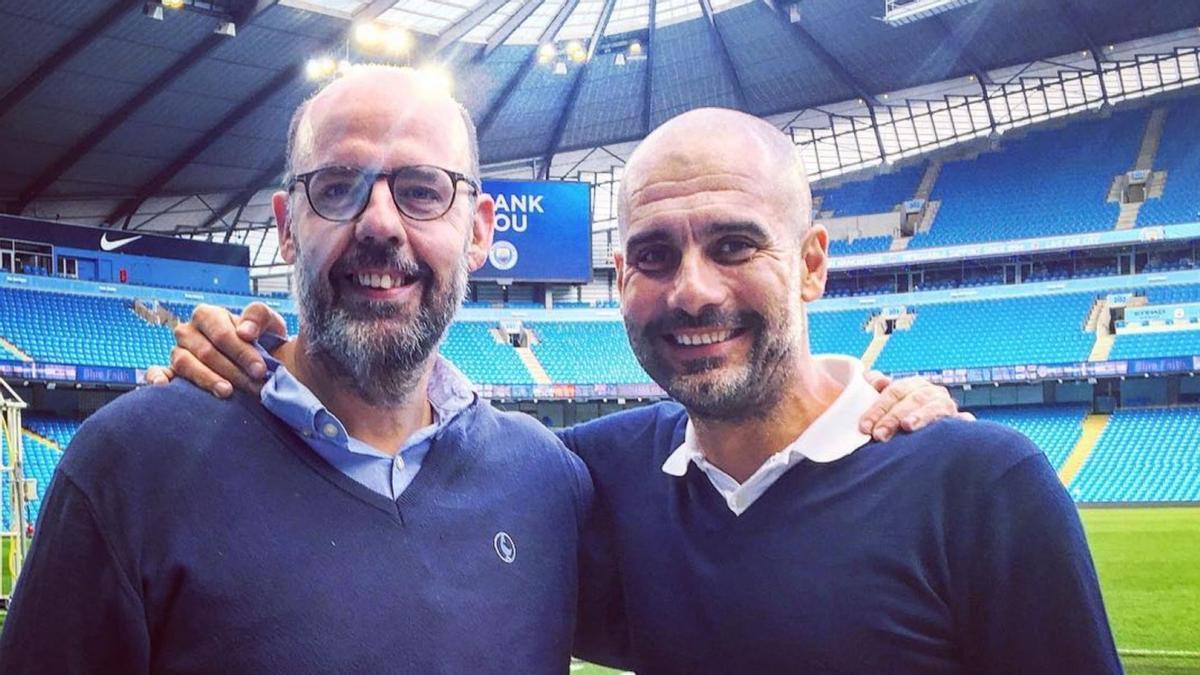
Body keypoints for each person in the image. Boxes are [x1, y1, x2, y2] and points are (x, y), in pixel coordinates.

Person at [162, 106, 1121, 673]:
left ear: (815, 263)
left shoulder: (980, 485)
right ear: (621, 280)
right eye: (653, 256)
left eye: (736, 244)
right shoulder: (589, 475)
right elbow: (392, 460)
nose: (692, 289)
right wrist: (250, 351)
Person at [0, 66, 592, 673]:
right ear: (286, 228)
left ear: (478, 231)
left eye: (422, 190)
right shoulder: (128, 467)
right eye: (338, 188)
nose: (380, 223)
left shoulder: (548, 478)